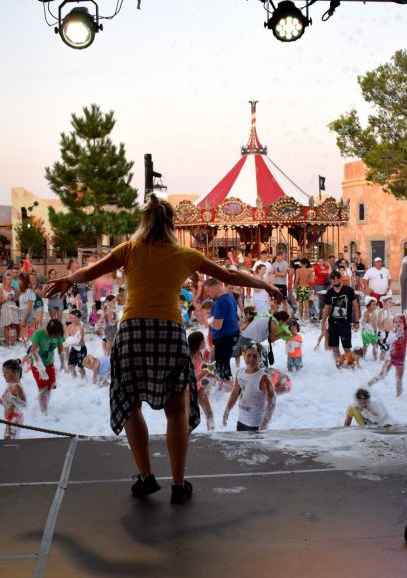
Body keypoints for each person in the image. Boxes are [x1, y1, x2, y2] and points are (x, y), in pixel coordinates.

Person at [44, 194, 281, 504]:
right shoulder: (184, 254)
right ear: (171, 224)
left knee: (130, 404)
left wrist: (67, 279)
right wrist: (266, 285)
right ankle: (179, 485)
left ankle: (146, 477)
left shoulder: (129, 249)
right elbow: (231, 275)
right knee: (176, 409)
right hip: (169, 332)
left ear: (144, 222)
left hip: (132, 332)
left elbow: (89, 272)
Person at [222, 343, 276, 432]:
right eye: (249, 355)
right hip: (241, 421)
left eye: (255, 356)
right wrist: (227, 410)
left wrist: (265, 423)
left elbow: (271, 401)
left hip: (256, 424)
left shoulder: (263, 378)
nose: (251, 359)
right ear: (244, 357)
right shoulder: (240, 373)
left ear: (260, 358)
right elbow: (235, 393)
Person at [368, 314, 407, 397]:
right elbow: (388, 341)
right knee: (382, 375)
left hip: (400, 359)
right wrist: (396, 335)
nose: (398, 323)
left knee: (399, 380)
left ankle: (399, 397)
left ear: (404, 322)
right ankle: (368, 385)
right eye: (395, 322)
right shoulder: (392, 332)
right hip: (390, 358)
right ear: (393, 324)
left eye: (400, 321)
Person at [204, 277, 241, 384]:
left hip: (224, 337)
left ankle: (229, 388)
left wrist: (208, 320)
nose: (207, 294)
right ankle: (227, 387)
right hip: (232, 334)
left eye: (208, 291)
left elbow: (217, 326)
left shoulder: (220, 302)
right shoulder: (230, 296)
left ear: (214, 287)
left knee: (223, 368)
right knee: (224, 365)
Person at [27, 318, 65, 414]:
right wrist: (40, 367)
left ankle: (45, 406)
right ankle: (43, 413)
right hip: (37, 364)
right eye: (53, 335)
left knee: (49, 387)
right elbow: (33, 351)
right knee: (42, 388)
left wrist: (63, 363)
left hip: (49, 363)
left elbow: (61, 350)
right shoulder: (38, 334)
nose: (54, 337)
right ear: (48, 330)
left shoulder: (58, 333)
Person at [321, 271, 361, 362]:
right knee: (335, 348)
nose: (334, 282)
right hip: (333, 323)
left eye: (336, 280)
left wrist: (356, 322)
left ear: (340, 279)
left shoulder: (349, 290)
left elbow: (356, 307)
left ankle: (351, 364)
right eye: (332, 281)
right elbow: (326, 309)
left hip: (345, 323)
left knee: (346, 347)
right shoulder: (329, 292)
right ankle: (340, 364)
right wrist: (323, 322)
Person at [0, 359, 27, 440]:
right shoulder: (10, 385)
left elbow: (24, 404)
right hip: (10, 419)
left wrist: (13, 399)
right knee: (8, 442)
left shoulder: (17, 386)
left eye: (6, 373)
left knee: (9, 442)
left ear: (15, 372)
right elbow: (6, 403)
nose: (4, 375)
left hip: (14, 419)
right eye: (3, 373)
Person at [187, 330, 215, 431]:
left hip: (198, 387)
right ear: (200, 342)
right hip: (189, 390)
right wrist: (208, 370)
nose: (205, 341)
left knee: (210, 414)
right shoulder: (191, 358)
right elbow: (194, 378)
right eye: (204, 340)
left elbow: (199, 369)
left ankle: (211, 436)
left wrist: (214, 376)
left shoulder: (200, 352)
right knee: (187, 418)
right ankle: (185, 437)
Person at [63, 309, 87, 378]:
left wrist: (74, 342)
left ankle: (84, 380)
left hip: (81, 349)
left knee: (80, 367)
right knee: (71, 366)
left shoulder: (81, 327)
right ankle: (75, 380)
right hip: (73, 349)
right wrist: (67, 354)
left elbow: (82, 342)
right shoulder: (69, 327)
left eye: (74, 318)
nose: (72, 320)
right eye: (71, 318)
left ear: (79, 318)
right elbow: (67, 340)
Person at [0, 273, 20, 347]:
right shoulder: (1, 289)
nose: (9, 280)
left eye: (11, 279)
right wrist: (7, 298)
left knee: (14, 325)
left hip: (13, 308)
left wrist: (14, 298)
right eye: (8, 279)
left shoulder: (13, 288)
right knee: (6, 326)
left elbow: (16, 298)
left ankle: (13, 342)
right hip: (5, 308)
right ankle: (7, 343)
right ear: (4, 280)